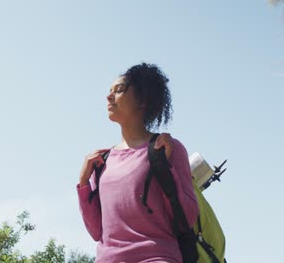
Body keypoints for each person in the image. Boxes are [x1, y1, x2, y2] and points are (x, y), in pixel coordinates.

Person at [77, 63, 198, 262]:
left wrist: (166, 167)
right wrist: (83, 184)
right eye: (109, 91)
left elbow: (187, 218)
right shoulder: (103, 161)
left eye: (119, 90)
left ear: (143, 100)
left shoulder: (167, 148)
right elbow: (96, 231)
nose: (109, 97)